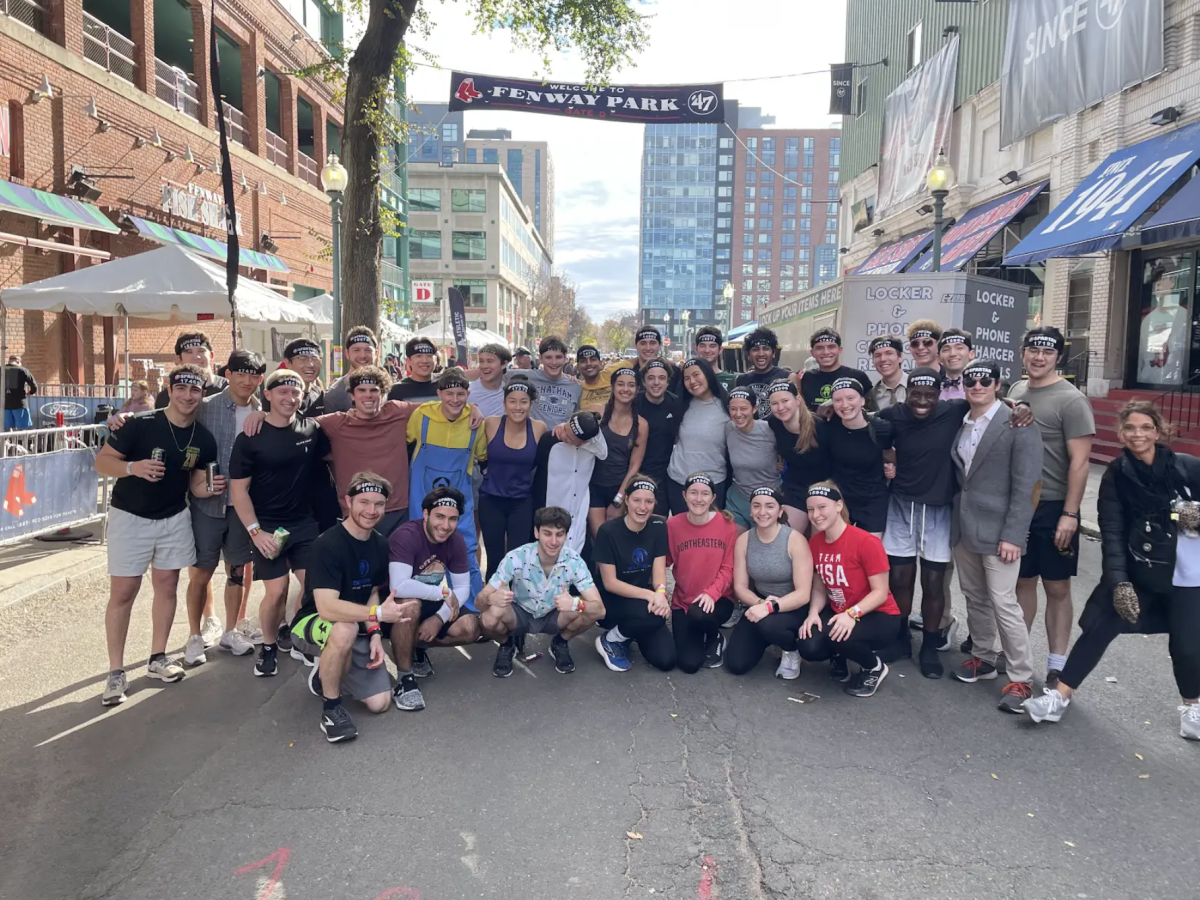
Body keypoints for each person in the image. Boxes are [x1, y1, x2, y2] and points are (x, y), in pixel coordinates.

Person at [1023, 401, 1200, 742]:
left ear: (1158, 430)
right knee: (1099, 627)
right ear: (1121, 432)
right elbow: (1113, 532)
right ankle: (1058, 697)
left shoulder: (1188, 468)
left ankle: (1191, 709)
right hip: (1140, 569)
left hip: (1189, 573)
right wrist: (1119, 582)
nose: (1138, 435)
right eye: (1130, 428)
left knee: (1189, 646)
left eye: (1145, 427)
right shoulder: (1118, 475)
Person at [95, 365, 218, 706]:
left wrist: (208, 490)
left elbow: (194, 482)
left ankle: (157, 658)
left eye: (195, 391)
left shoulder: (203, 438)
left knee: (167, 585)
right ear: (170, 388)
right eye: (182, 389)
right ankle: (116, 672)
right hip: (129, 517)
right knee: (124, 591)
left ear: (202, 394)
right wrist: (133, 468)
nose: (188, 396)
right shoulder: (139, 424)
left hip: (174, 517)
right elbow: (102, 462)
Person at [949, 360, 1043, 712]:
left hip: (1001, 530)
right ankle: (983, 657)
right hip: (965, 526)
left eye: (984, 380)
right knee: (974, 596)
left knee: (1004, 602)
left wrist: (1015, 534)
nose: (976, 385)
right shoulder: (962, 421)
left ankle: (1021, 677)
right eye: (970, 380)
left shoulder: (1017, 423)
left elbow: (1028, 484)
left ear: (998, 384)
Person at [1008, 326, 1096, 686]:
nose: (1039, 357)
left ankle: (1057, 663)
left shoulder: (1071, 400)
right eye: (1033, 350)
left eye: (1047, 352)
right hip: (1020, 506)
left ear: (1058, 356)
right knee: (1022, 583)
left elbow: (1081, 462)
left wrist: (1071, 514)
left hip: (1055, 504)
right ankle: (1020, 655)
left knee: (1057, 588)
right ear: (1023, 353)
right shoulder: (1016, 390)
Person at [230, 368, 331, 678]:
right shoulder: (250, 437)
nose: (290, 398)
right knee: (276, 592)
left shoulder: (312, 429)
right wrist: (256, 532)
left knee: (314, 586)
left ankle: (301, 639)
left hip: (303, 524)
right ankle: (269, 646)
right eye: (283, 392)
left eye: (296, 392)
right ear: (269, 395)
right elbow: (238, 491)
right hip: (267, 526)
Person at [299, 473, 414, 743]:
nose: (371, 511)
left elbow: (372, 591)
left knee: (380, 703)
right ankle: (330, 710)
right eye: (364, 502)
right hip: (312, 621)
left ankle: (326, 674)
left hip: (357, 623)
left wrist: (375, 633)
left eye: (379, 504)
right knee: (344, 631)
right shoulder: (327, 544)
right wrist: (376, 615)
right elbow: (327, 608)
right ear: (348, 501)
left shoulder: (380, 544)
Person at [874, 368, 966, 677]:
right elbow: (865, 420)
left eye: (929, 395)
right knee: (899, 579)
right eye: (916, 394)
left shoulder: (955, 410)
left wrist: (1017, 406)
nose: (922, 401)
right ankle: (901, 638)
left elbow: (992, 402)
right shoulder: (893, 414)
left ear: (940, 394)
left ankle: (929, 643)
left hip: (938, 508)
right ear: (907, 392)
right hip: (900, 504)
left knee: (933, 582)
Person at [184, 350, 265, 663]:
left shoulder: (262, 411)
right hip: (207, 504)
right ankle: (194, 634)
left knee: (237, 570)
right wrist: (122, 418)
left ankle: (232, 630)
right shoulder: (205, 407)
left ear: (260, 380)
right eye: (240, 373)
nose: (246, 381)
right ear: (227, 373)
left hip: (242, 507)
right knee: (201, 573)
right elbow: (170, 416)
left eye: (253, 375)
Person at [478, 505, 606, 677]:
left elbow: (600, 610)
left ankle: (560, 642)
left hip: (554, 614)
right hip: (519, 613)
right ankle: (507, 644)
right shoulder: (516, 557)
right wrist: (492, 598)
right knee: (488, 617)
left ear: (566, 536)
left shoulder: (574, 561)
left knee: (588, 611)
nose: (553, 541)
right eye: (547, 533)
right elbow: (479, 602)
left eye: (559, 534)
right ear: (536, 533)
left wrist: (576, 603)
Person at [798, 482, 901, 696]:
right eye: (810, 509)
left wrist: (851, 615)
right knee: (809, 645)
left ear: (838, 505)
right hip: (839, 610)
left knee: (840, 635)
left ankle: (874, 667)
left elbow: (880, 592)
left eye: (822, 507)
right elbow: (819, 585)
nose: (815, 515)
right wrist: (813, 612)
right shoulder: (815, 543)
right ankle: (839, 655)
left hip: (878, 614)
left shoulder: (866, 542)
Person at [386, 487, 482, 707]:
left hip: (429, 601)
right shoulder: (406, 536)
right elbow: (399, 586)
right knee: (410, 606)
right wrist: (443, 594)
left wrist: (439, 618)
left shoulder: (456, 540)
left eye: (452, 519)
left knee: (470, 627)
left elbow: (463, 587)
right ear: (426, 514)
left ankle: (415, 647)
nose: (445, 525)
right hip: (391, 605)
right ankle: (404, 678)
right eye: (439, 516)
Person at [407, 368, 488, 608]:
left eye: (460, 394)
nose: (455, 399)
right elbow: (404, 441)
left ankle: (471, 609)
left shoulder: (476, 423)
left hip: (460, 505)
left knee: (466, 552)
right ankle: (419, 610)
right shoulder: (421, 416)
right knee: (420, 554)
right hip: (421, 501)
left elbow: (482, 455)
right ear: (439, 393)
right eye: (449, 393)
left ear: (468, 394)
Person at [724, 487, 814, 679]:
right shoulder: (744, 540)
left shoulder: (794, 540)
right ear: (750, 510)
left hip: (793, 605)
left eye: (769, 506)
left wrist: (770, 607)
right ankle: (769, 639)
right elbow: (740, 586)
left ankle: (790, 649)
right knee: (736, 663)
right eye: (756, 506)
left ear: (780, 511)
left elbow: (804, 593)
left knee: (769, 625)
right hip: (761, 602)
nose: (762, 512)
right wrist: (761, 604)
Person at [593, 476, 676, 672]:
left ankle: (628, 633)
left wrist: (661, 593)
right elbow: (610, 583)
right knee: (653, 616)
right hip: (611, 600)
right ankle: (610, 640)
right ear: (627, 500)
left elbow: (659, 572)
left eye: (648, 501)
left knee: (667, 660)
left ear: (655, 503)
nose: (642, 507)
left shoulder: (658, 526)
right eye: (637, 500)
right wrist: (651, 595)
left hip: (639, 601)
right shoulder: (608, 531)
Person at [667, 473, 737, 672]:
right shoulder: (673, 525)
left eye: (705, 494)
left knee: (700, 615)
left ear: (713, 498)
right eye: (693, 493)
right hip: (684, 602)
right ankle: (700, 636)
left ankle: (715, 636)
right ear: (684, 495)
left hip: (718, 600)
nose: (699, 499)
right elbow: (663, 561)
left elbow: (728, 567)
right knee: (688, 664)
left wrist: (711, 593)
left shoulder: (726, 524)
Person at [479, 379, 547, 580]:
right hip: (491, 499)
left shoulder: (538, 428)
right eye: (512, 401)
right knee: (494, 556)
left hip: (522, 501)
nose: (518, 407)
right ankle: (491, 603)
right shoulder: (491, 423)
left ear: (531, 404)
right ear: (504, 403)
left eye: (523, 402)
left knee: (518, 557)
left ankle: (517, 604)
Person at [531, 411, 608, 555]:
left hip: (577, 512)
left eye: (571, 437)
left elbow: (603, 452)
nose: (564, 436)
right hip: (548, 508)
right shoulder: (550, 439)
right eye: (566, 429)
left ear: (584, 442)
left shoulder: (592, 447)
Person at [588, 367, 647, 537]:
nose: (625, 389)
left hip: (620, 487)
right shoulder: (597, 411)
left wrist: (619, 499)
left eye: (631, 385)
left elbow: (635, 465)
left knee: (616, 541)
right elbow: (574, 430)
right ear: (612, 387)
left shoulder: (641, 425)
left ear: (637, 390)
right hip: (594, 486)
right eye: (620, 384)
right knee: (600, 540)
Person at [666, 357, 729, 515]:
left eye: (696, 375)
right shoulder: (680, 405)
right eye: (686, 378)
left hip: (713, 484)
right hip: (679, 482)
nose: (692, 381)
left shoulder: (727, 407)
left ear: (707, 374)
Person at [827, 377, 889, 536]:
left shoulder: (881, 429)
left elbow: (894, 454)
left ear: (862, 400)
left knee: (868, 554)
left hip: (872, 502)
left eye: (850, 398)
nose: (845, 405)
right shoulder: (829, 427)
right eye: (838, 400)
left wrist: (892, 466)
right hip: (841, 502)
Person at [767, 380, 830, 530]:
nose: (780, 408)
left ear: (797, 400)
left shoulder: (819, 427)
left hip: (823, 489)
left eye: (785, 401)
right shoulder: (774, 423)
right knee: (785, 537)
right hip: (795, 488)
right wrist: (779, 459)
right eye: (775, 403)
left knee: (819, 545)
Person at [725, 386, 782, 534]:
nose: (738, 414)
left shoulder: (769, 430)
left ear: (754, 408)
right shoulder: (728, 429)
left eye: (743, 408)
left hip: (768, 499)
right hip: (739, 498)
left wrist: (783, 462)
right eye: (733, 409)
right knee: (736, 547)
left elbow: (790, 448)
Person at [634, 359, 682, 516]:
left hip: (668, 477)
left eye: (661, 378)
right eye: (651, 378)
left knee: (663, 524)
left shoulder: (676, 404)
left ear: (668, 382)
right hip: (638, 474)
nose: (656, 383)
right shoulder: (634, 403)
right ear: (643, 381)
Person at [506, 336, 582, 428]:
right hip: (533, 440)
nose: (554, 362)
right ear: (540, 358)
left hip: (562, 441)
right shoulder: (529, 376)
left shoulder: (575, 386)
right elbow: (495, 373)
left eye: (558, 357)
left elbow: (577, 418)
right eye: (548, 357)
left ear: (565, 358)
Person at [799, 327, 872, 412]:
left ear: (840, 350)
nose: (826, 352)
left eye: (831, 347)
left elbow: (870, 411)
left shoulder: (858, 376)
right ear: (812, 353)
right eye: (819, 348)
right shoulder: (807, 377)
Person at [154, 333, 228, 408]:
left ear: (211, 355)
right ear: (178, 358)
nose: (196, 357)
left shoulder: (228, 389)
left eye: (201, 351)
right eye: (189, 352)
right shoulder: (167, 397)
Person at [734, 328, 791, 419]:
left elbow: (800, 412)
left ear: (773, 353)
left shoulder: (788, 377)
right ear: (748, 355)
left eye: (766, 348)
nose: (761, 354)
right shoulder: (740, 380)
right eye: (755, 349)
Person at [323, 326, 379, 413]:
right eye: (356, 350)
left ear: (376, 353)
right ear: (347, 354)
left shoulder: (387, 389)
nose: (362, 355)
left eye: (368, 350)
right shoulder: (335, 393)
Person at [389, 337, 440, 402]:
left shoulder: (445, 383)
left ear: (436, 360)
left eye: (429, 356)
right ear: (408, 361)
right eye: (418, 356)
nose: (424, 361)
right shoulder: (396, 390)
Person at [468, 343, 511, 418]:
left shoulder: (510, 391)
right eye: (481, 361)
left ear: (504, 364)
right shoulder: (468, 393)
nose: (484, 366)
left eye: (490, 361)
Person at [867, 336, 908, 412]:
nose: (883, 359)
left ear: (900, 357)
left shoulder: (917, 386)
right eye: (877, 355)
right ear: (873, 361)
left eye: (889, 353)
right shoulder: (870, 397)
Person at [937, 329, 976, 401]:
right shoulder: (933, 388)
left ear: (971, 354)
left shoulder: (980, 388)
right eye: (946, 350)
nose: (953, 354)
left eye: (959, 348)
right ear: (938, 358)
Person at [693, 326, 736, 392]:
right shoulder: (689, 380)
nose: (707, 350)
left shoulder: (733, 380)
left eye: (712, 346)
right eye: (702, 346)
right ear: (696, 349)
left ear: (720, 350)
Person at [3, 354, 37, 430]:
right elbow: (34, 385)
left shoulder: (2, 369)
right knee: (22, 428)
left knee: (6, 428)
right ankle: (20, 441)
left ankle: (7, 441)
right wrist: (31, 392)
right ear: (18, 362)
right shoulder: (23, 370)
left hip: (4, 404)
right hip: (19, 404)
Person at [576, 345, 611, 413]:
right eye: (583, 361)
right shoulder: (576, 389)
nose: (589, 364)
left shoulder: (613, 377)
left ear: (601, 364)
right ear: (578, 367)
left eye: (593, 359)